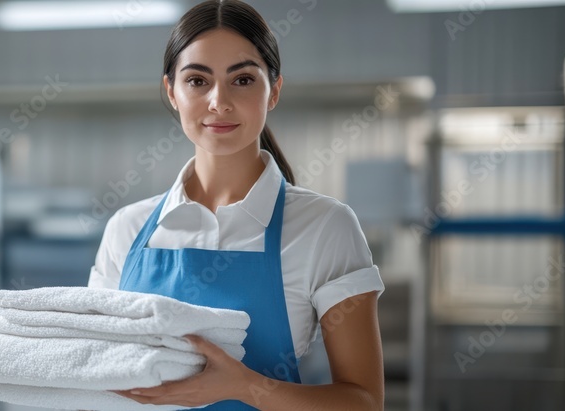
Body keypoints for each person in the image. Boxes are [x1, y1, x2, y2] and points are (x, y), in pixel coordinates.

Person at [86, 1, 386, 409]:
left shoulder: (324, 227)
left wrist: (244, 387)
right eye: (197, 81)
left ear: (274, 91)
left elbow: (364, 402)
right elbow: (94, 373)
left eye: (242, 79)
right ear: (171, 91)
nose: (218, 102)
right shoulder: (127, 227)